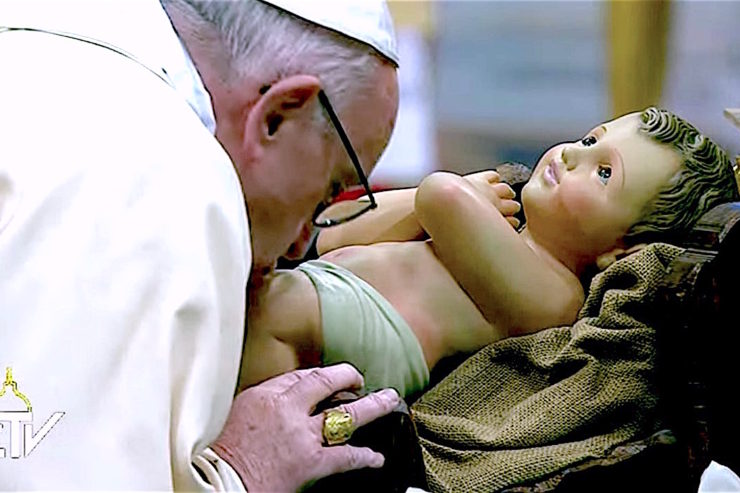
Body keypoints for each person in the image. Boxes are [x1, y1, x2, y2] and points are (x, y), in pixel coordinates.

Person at [0, 0, 402, 491]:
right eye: (327, 192)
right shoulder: (160, 170)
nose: (301, 244)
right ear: (278, 115)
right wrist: (245, 471)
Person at [240, 107, 740, 398]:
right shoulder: (492, 222)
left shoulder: (555, 296)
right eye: (591, 139)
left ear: (621, 248)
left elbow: (439, 195)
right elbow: (331, 232)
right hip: (325, 285)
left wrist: (460, 194)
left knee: (265, 314)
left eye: (604, 172)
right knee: (258, 284)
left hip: (365, 336)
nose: (571, 154)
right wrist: (433, 203)